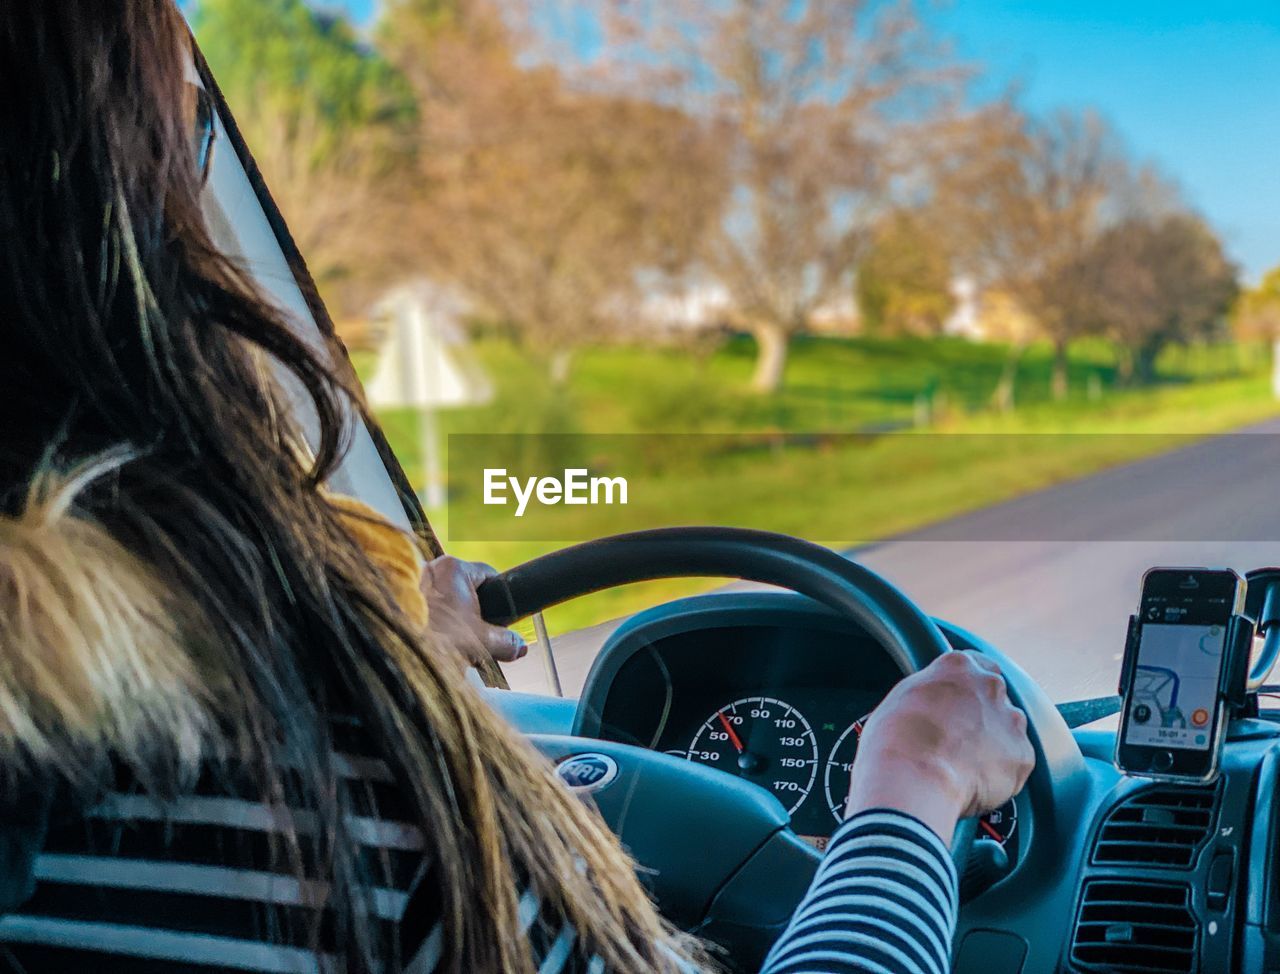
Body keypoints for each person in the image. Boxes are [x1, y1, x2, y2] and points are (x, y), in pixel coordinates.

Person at [0, 3, 1034, 972]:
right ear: (101, 202)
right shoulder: (312, 811)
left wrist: (410, 667)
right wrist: (910, 783)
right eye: (188, 136)